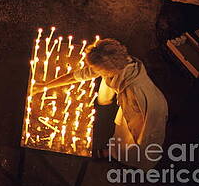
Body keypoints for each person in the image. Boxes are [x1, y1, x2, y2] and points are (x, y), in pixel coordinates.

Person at [31, 38, 168, 169]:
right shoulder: (118, 61)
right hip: (132, 104)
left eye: (97, 70)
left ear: (107, 71)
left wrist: (141, 139)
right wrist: (46, 85)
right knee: (121, 132)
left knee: (137, 142)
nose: (93, 71)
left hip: (148, 111)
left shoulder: (135, 91)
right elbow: (79, 75)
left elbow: (143, 127)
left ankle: (134, 162)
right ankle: (113, 152)